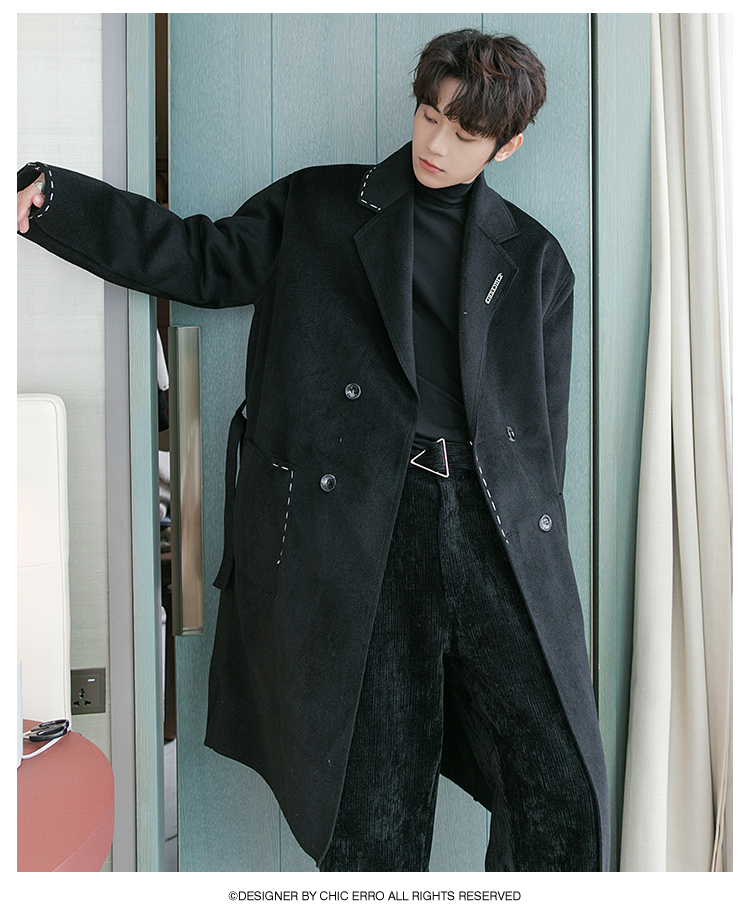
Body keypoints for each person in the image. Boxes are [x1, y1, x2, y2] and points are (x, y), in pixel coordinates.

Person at [17, 28, 609, 872]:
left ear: (505, 146)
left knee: (561, 785)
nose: (436, 144)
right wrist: (56, 202)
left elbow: (540, 437)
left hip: (492, 526)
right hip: (364, 521)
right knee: (375, 796)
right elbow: (201, 258)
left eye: (465, 133)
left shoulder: (537, 261)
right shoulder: (321, 206)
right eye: (430, 115)